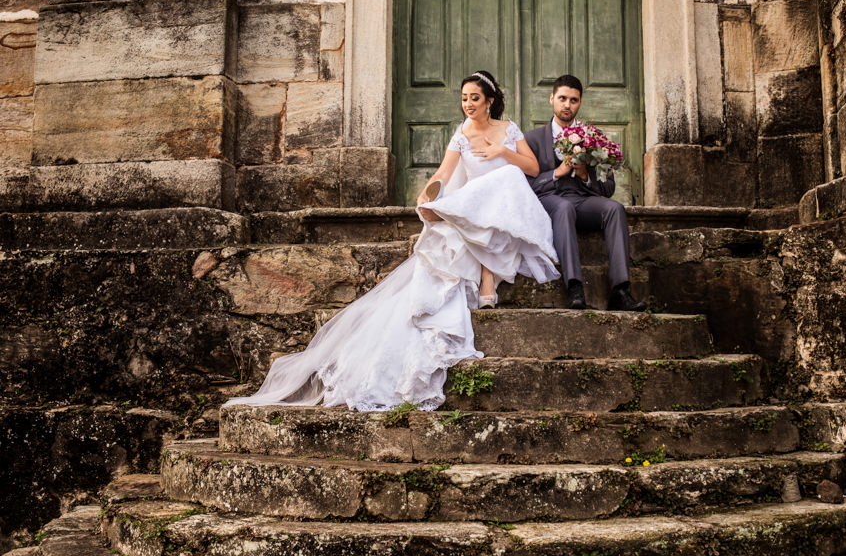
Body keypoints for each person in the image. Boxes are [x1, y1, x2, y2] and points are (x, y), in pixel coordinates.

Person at [224, 71, 558, 412]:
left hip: (505, 206)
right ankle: (469, 246)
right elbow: (443, 173)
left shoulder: (508, 129)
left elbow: (532, 168)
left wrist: (501, 150)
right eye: (464, 99)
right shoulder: (462, 134)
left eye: (474, 98)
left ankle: (483, 267)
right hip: (475, 207)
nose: (468, 104)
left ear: (489, 100)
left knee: (507, 177)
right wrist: (428, 194)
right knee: (474, 204)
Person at [524, 74, 646, 311]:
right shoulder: (532, 139)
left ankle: (620, 291)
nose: (567, 105)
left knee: (615, 209)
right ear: (551, 99)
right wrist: (557, 173)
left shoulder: (593, 137)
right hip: (550, 202)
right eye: (562, 98)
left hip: (583, 200)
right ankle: (574, 288)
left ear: (579, 102)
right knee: (564, 207)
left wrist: (584, 176)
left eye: (573, 100)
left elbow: (608, 189)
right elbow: (526, 186)